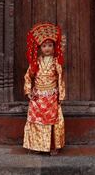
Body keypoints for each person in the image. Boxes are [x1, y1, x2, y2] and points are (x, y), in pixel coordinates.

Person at [22, 22, 66, 156]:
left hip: (51, 96)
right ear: (40, 47)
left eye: (50, 45)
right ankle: (35, 146)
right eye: (44, 46)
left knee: (52, 121)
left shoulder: (56, 62)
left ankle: (53, 146)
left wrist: (61, 96)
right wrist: (28, 90)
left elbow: (60, 79)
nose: (47, 48)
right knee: (36, 120)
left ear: (54, 47)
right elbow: (28, 76)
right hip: (38, 97)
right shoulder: (36, 62)